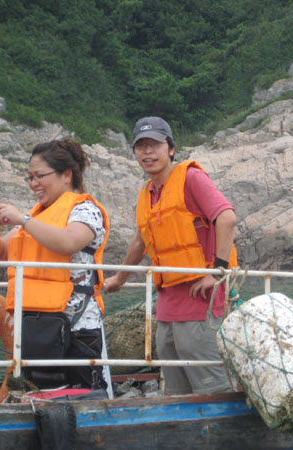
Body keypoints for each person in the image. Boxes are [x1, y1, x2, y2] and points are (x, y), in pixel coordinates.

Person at [104, 117, 236, 395]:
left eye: (155, 144)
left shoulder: (191, 178)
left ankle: (224, 415)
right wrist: (120, 278)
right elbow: (140, 240)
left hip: (201, 295)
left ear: (171, 148)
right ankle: (180, 415)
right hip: (168, 299)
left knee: (205, 370)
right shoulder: (147, 192)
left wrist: (218, 272)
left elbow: (226, 218)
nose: (148, 152)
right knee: (170, 363)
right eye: (141, 146)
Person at [0, 139, 110, 390]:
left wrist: (22, 219)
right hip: (36, 323)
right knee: (39, 391)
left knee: (82, 391)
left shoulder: (85, 210)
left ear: (66, 175)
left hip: (76, 325)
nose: (33, 184)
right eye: (30, 178)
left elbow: (68, 242)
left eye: (39, 176)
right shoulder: (35, 216)